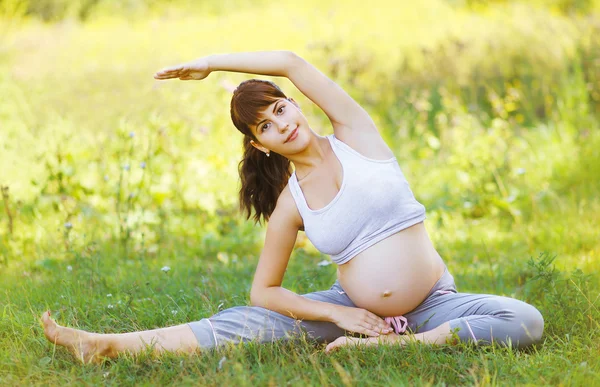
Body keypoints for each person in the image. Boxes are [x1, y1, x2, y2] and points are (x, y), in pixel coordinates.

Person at [41, 51, 544, 363]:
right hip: (353, 313)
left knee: (525, 320)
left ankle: (404, 344)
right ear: (260, 145)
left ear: (296, 105)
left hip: (435, 305)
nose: (281, 123)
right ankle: (103, 344)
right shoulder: (290, 204)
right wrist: (336, 315)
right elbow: (265, 290)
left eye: (280, 108)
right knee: (244, 325)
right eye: (265, 126)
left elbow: (291, 63)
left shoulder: (356, 136)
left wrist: (213, 63)